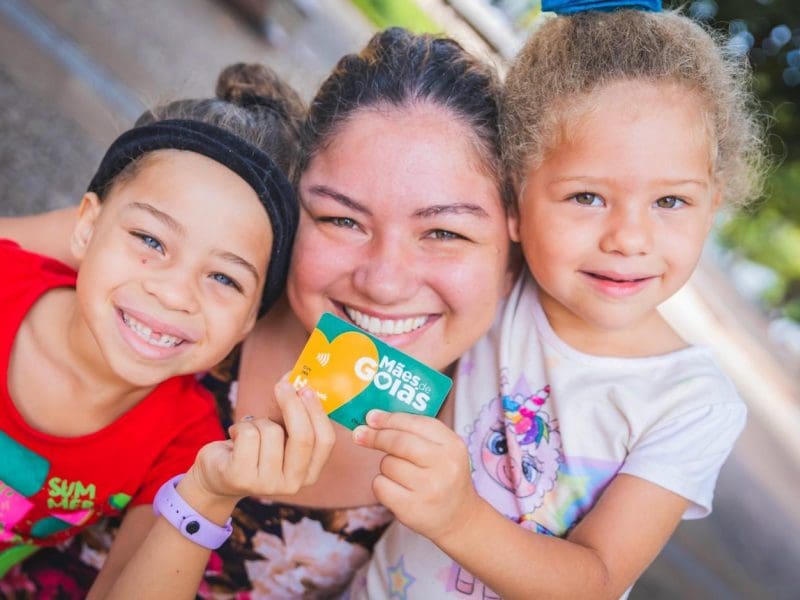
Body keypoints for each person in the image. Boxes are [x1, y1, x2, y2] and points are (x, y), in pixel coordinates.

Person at [0, 28, 517, 598]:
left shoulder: (515, 453)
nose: (384, 282)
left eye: (444, 231)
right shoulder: (188, 276)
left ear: (516, 252)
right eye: (341, 220)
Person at [346, 5, 766, 599]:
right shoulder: (498, 286)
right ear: (516, 202)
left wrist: (458, 518)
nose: (629, 238)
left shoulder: (692, 405)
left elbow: (595, 581)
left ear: (713, 204)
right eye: (587, 196)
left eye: (670, 202)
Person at [0, 63, 335, 597]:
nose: (175, 293)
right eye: (151, 241)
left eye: (224, 277)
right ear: (86, 226)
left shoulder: (188, 445)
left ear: (249, 320)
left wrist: (209, 496)